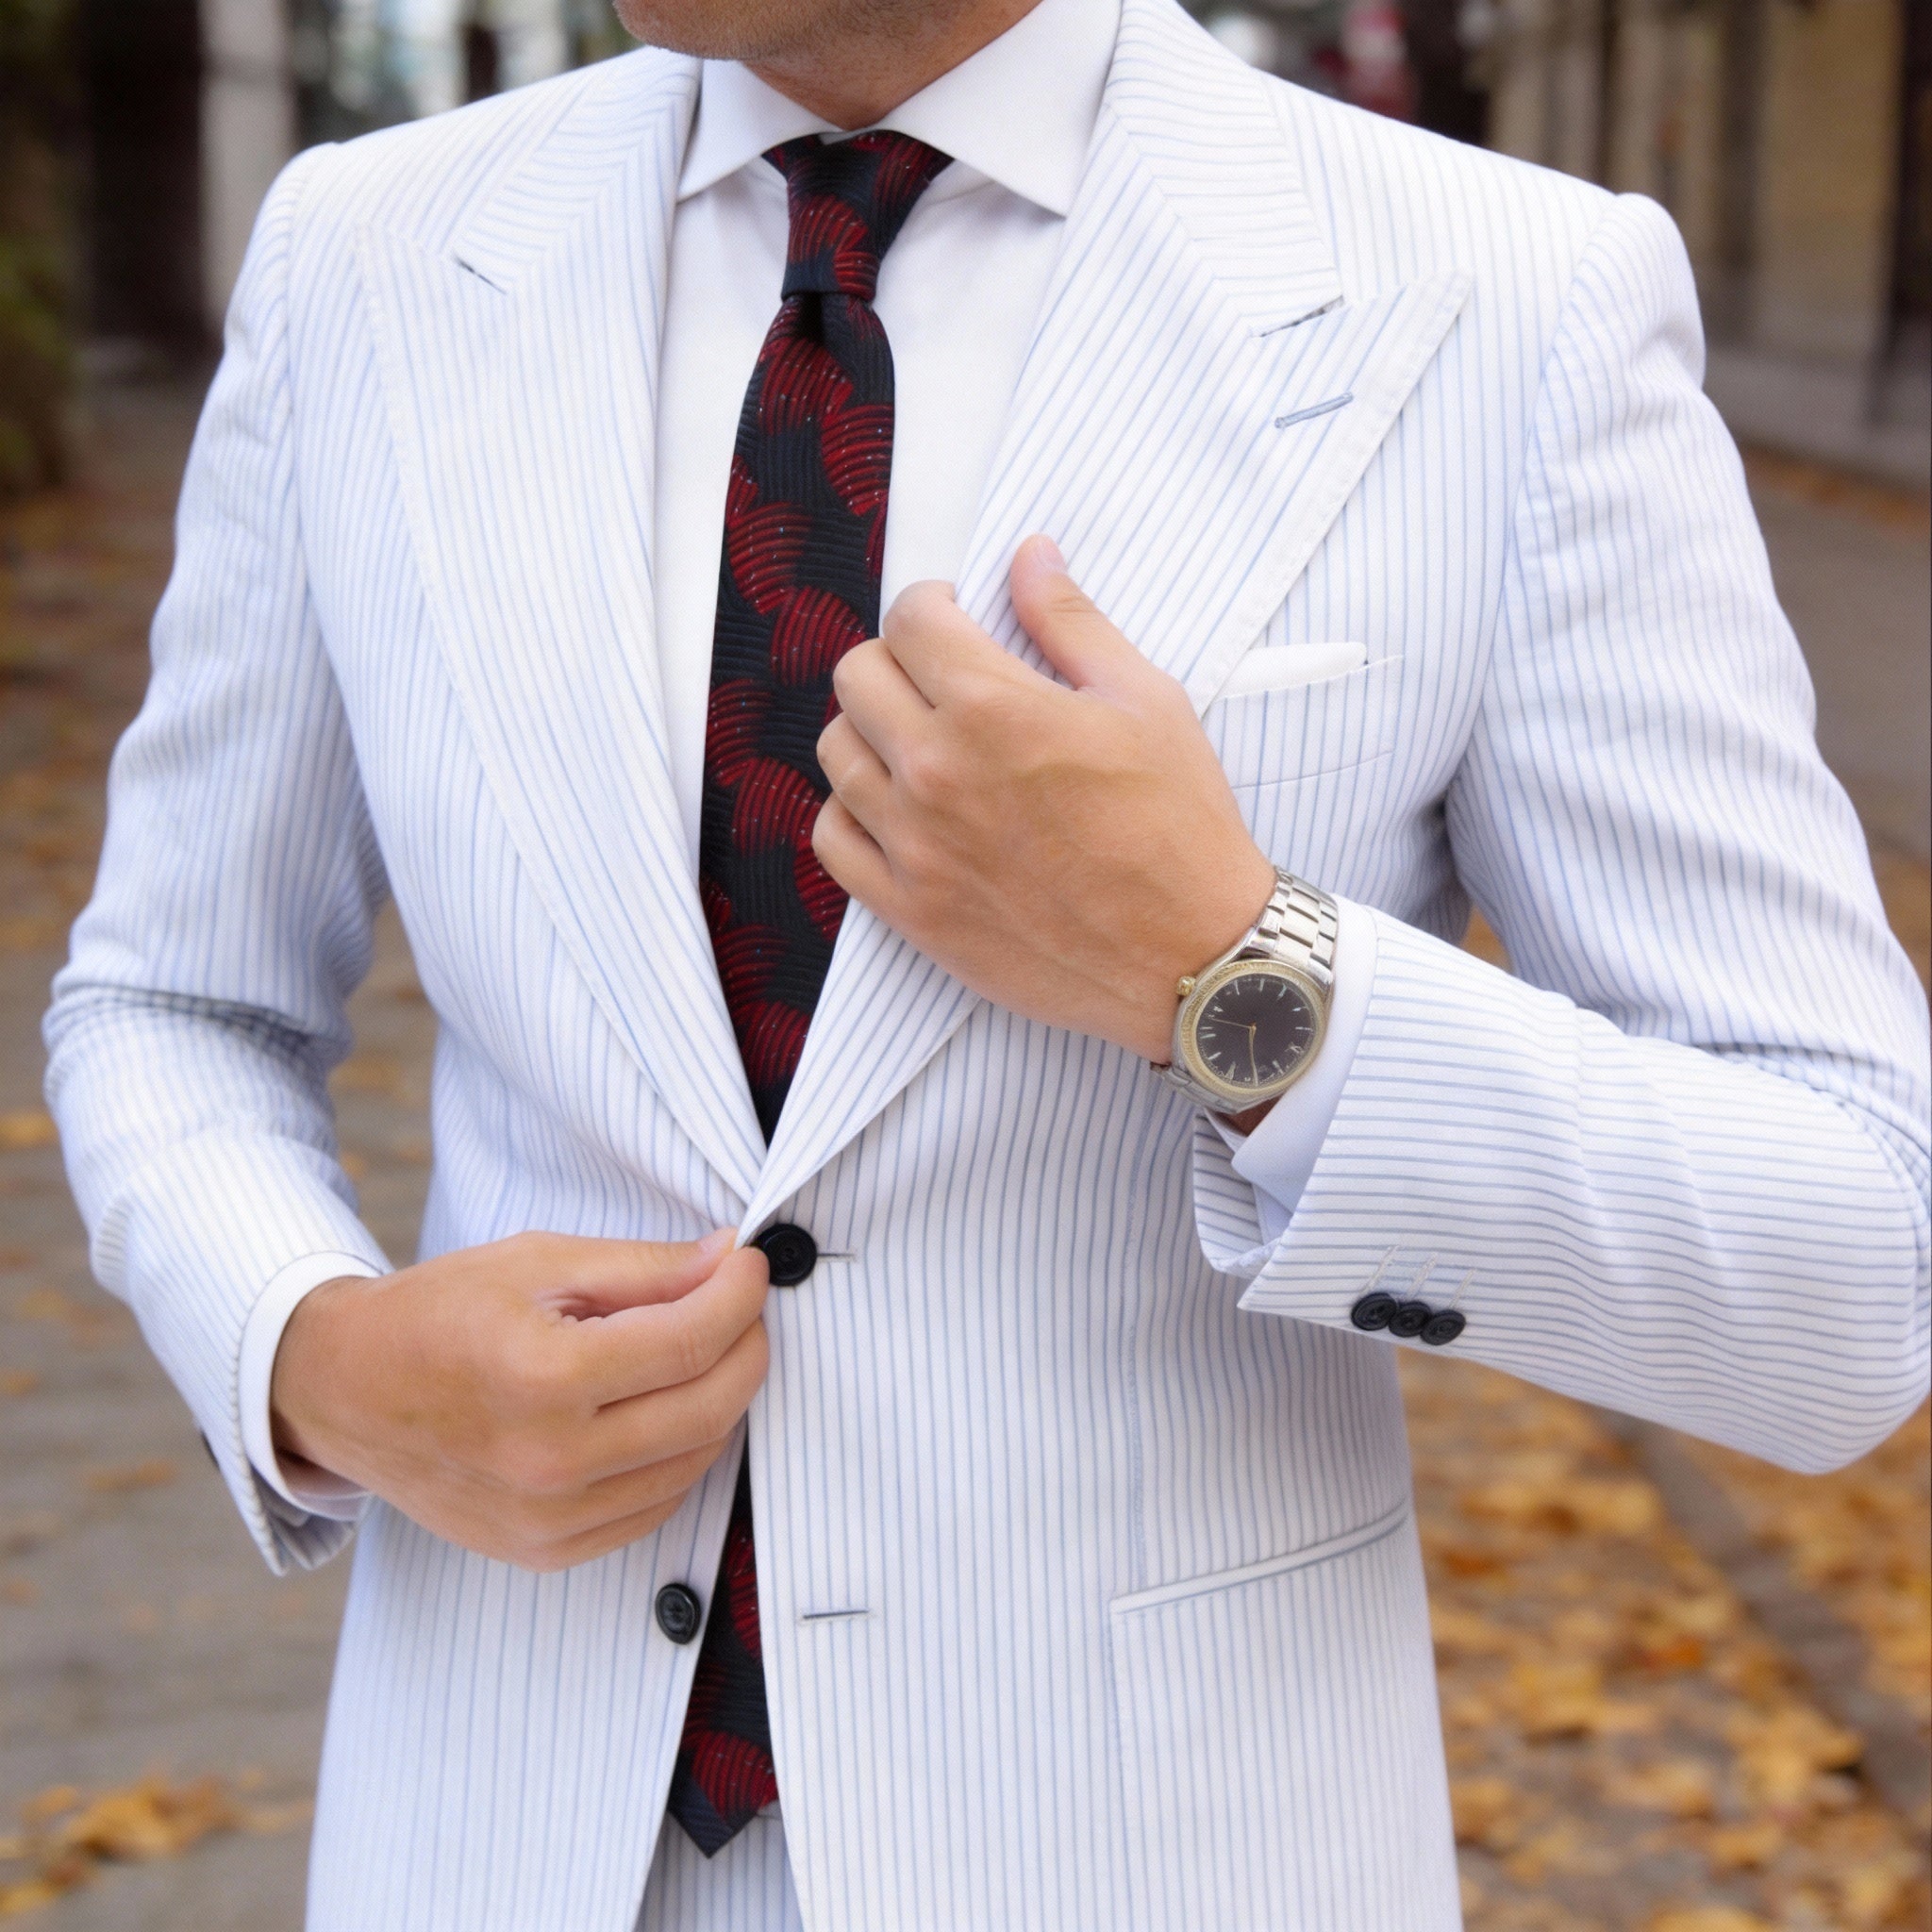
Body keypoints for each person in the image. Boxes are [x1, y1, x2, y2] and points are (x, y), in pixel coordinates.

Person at [43, 0, 1930, 1924]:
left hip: (1149, 1850)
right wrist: (313, 1355)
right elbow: (170, 1004)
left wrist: (1231, 975)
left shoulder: (1503, 302)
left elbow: (1854, 1266)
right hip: (491, 1828)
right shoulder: (362, 257)